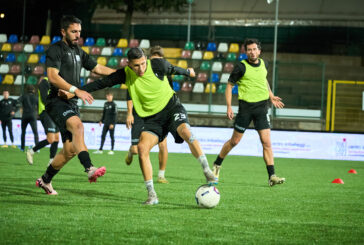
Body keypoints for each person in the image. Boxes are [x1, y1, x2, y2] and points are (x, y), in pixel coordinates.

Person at [81, 47, 216, 204]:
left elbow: (174, 69)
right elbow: (101, 83)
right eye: (137, 65)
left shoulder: (157, 65)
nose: (141, 69)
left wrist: (189, 73)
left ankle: (207, 170)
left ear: (146, 59)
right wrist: (76, 91)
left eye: (143, 63)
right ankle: (152, 195)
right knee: (142, 149)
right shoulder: (125, 74)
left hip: (171, 108)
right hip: (152, 119)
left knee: (186, 132)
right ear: (129, 64)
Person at [35, 15, 116, 195]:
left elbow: (97, 69)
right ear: (63, 32)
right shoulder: (55, 50)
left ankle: (45, 180)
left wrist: (121, 74)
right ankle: (89, 169)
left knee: (70, 149)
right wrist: (75, 89)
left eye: (79, 31)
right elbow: (53, 76)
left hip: (71, 102)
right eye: (73, 31)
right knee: (78, 127)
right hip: (56, 100)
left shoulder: (79, 51)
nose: (77, 35)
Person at [212, 38, 285, 187]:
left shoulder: (264, 63)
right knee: (235, 141)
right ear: (246, 52)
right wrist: (229, 106)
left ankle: (272, 176)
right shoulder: (241, 67)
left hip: (262, 108)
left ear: (259, 50)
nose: (252, 52)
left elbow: (263, 80)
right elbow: (229, 86)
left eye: (254, 49)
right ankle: (217, 164)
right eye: (249, 50)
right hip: (245, 108)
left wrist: (270, 95)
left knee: (266, 142)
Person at [124, 46, 172, 184]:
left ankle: (161, 175)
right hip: (140, 113)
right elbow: (129, 94)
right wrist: (129, 113)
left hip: (159, 113)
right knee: (135, 150)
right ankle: (130, 151)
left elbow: (170, 93)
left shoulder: (165, 73)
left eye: (160, 60)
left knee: (163, 145)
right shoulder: (137, 74)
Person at [26, 77, 60, 165]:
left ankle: (51, 161)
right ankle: (31, 151)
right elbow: (45, 100)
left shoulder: (57, 81)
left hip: (54, 112)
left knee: (56, 138)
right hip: (46, 112)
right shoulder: (45, 82)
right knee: (50, 139)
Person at [93, 91, 117, 155]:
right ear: (106, 97)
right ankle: (100, 149)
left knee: (111, 136)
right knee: (103, 135)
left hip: (111, 124)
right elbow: (104, 113)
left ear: (112, 96)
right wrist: (101, 120)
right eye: (107, 96)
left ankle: (112, 150)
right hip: (106, 123)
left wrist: (113, 124)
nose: (108, 97)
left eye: (110, 96)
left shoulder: (114, 104)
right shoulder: (105, 103)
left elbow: (115, 115)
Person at [18, 85, 39, 151]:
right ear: (33, 90)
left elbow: (18, 102)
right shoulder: (36, 97)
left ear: (27, 90)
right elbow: (39, 106)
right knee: (35, 132)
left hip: (25, 115)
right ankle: (37, 148)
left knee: (23, 132)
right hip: (33, 115)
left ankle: (22, 147)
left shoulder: (24, 96)